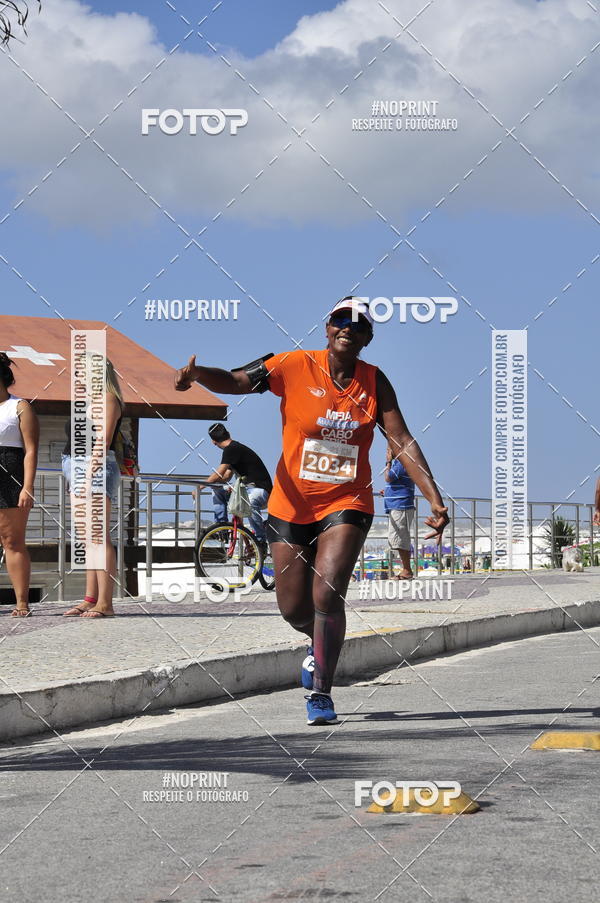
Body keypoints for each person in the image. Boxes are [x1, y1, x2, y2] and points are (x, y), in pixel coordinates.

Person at [175, 296, 448, 725]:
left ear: (367, 337)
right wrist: (197, 375)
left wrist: (433, 497)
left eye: (358, 325)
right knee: (295, 609)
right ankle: (318, 643)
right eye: (340, 320)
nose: (348, 328)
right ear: (327, 327)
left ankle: (321, 691)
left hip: (347, 500)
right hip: (290, 502)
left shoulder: (375, 382)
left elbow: (402, 440)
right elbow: (236, 380)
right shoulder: (292, 365)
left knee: (328, 592)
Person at [62, 356, 123, 618]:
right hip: (78, 467)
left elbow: (104, 440)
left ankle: (106, 604)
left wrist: (87, 476)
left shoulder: (108, 399)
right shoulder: (88, 402)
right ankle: (90, 598)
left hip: (92, 468)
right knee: (87, 539)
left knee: (98, 537)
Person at [0, 352, 39, 617]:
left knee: (12, 541)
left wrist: (27, 486)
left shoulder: (19, 406)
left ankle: (22, 603)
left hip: (10, 474)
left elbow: (31, 450)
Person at [204, 423, 272, 545]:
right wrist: (228, 487)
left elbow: (219, 473)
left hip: (261, 490)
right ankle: (222, 527)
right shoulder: (233, 449)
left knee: (250, 501)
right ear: (228, 433)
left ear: (213, 442)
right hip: (247, 489)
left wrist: (199, 487)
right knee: (218, 489)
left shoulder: (232, 448)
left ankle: (260, 541)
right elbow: (225, 477)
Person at [382, 442, 415, 579]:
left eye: (389, 448)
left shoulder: (401, 462)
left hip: (401, 506)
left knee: (400, 538)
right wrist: (389, 492)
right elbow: (396, 482)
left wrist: (387, 462)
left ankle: (407, 570)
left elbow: (388, 477)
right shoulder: (401, 462)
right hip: (397, 504)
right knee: (399, 538)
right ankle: (406, 570)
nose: (388, 451)